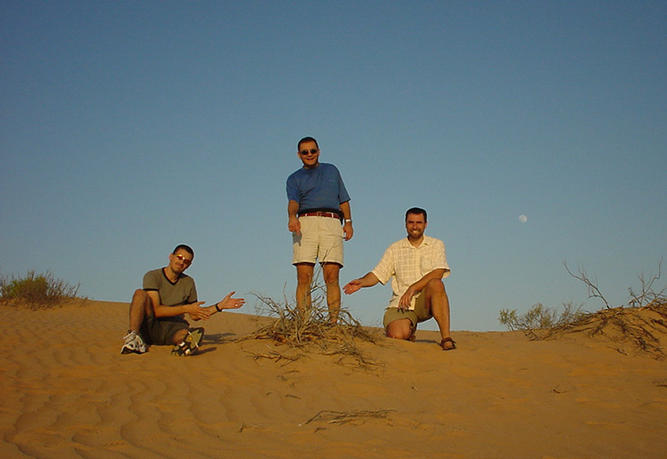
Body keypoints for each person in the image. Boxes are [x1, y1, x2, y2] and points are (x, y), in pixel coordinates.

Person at [343, 208, 455, 350]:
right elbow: (378, 273)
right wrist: (361, 282)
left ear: (426, 224)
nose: (415, 226)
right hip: (401, 304)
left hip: (425, 301)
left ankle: (446, 338)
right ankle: (408, 330)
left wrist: (413, 288)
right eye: (411, 222)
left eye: (419, 222)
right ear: (405, 224)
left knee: (436, 284)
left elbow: (439, 272)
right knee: (396, 336)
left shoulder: (436, 244)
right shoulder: (394, 248)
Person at [121, 244, 245, 356]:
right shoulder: (153, 276)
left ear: (189, 265)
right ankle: (133, 337)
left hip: (173, 327)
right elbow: (156, 310)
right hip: (151, 324)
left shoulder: (188, 282)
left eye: (186, 261)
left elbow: (195, 315)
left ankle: (184, 344)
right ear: (171, 256)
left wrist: (220, 306)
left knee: (184, 334)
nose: (181, 262)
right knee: (139, 294)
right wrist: (185, 308)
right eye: (179, 257)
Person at [286, 136, 353, 323]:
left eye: (313, 151)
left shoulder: (331, 170)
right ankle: (304, 321)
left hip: (331, 221)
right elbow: (293, 202)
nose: (309, 155)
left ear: (319, 151)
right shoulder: (294, 178)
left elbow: (343, 199)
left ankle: (333, 322)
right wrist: (292, 217)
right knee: (304, 276)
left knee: (332, 275)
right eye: (305, 152)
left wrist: (348, 222)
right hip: (305, 222)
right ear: (299, 155)